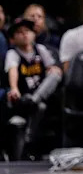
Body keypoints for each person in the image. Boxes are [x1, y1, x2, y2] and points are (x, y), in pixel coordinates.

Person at [4, 18, 61, 159]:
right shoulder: (13, 53)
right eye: (19, 32)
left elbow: (52, 69)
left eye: (27, 31)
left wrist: (52, 69)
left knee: (55, 75)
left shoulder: (40, 49)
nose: (24, 34)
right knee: (39, 107)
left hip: (40, 96)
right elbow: (13, 70)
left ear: (34, 34)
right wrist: (14, 88)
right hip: (22, 99)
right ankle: (28, 141)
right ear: (12, 38)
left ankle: (34, 101)